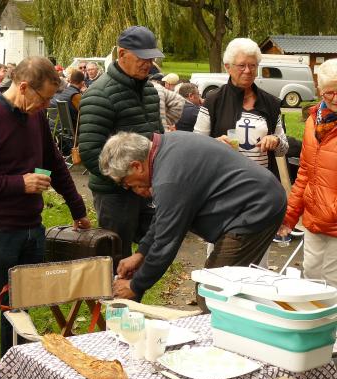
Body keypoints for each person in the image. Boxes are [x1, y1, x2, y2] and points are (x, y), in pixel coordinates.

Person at [0, 56, 91, 366]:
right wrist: (19, 184)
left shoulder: (35, 117)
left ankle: (12, 369)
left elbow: (56, 163)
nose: (46, 106)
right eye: (43, 98)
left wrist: (77, 208)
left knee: (20, 305)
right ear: (24, 87)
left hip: (32, 227)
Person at [99, 132, 286, 300]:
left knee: (212, 292)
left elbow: (166, 242)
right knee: (223, 289)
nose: (129, 188)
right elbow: (164, 218)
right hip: (254, 200)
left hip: (256, 208)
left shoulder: (169, 179)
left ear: (136, 166)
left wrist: (135, 285)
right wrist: (141, 253)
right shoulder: (166, 146)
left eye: (125, 182)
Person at [79, 25, 164, 259]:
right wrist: (130, 182)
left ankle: (134, 294)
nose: (148, 64)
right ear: (122, 53)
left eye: (151, 58)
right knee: (116, 256)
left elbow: (157, 136)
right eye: (142, 58)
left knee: (154, 249)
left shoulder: (149, 91)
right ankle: (113, 295)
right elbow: (90, 152)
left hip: (147, 187)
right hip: (114, 193)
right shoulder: (99, 95)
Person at [278, 58, 337, 288]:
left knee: (332, 282)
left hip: (334, 220)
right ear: (320, 90)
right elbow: (305, 173)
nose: (335, 98)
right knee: (311, 277)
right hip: (314, 219)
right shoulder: (314, 121)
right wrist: (290, 217)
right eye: (330, 92)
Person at [194, 38, 288, 169]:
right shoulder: (213, 100)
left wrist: (276, 141)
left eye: (253, 65)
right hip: (225, 182)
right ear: (228, 67)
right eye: (242, 65)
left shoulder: (271, 103)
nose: (248, 71)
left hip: (260, 182)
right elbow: (196, 146)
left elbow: (283, 150)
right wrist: (215, 144)